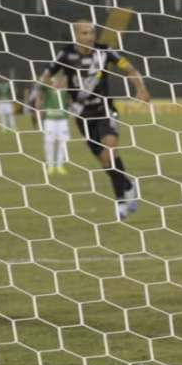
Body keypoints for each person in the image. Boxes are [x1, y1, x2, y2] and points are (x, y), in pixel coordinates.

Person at [38, 20, 151, 219]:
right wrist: (46, 91)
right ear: (76, 36)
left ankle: (121, 202)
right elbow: (46, 75)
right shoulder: (65, 55)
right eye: (84, 33)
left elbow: (130, 69)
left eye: (91, 33)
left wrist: (140, 89)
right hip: (82, 116)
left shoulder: (105, 52)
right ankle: (127, 184)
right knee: (106, 162)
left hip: (105, 111)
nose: (89, 37)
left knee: (110, 151)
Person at [40, 73, 70, 175]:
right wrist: (47, 74)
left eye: (59, 81)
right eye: (55, 81)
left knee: (63, 142)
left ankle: (60, 165)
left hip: (62, 120)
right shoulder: (47, 90)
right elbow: (42, 84)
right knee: (49, 142)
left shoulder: (65, 91)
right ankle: (50, 165)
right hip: (50, 120)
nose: (57, 83)